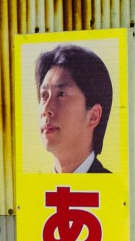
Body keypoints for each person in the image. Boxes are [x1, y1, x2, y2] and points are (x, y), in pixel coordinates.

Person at [34, 44, 113, 173]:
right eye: (44, 95)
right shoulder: (33, 189)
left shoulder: (114, 189)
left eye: (61, 94)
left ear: (94, 116)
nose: (46, 109)